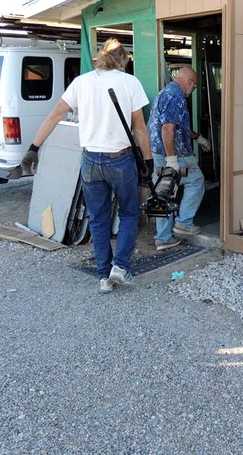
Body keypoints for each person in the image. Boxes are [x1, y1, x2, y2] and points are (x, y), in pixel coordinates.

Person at [20, 38, 152, 294]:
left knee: (99, 218)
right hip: (120, 158)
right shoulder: (130, 83)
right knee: (129, 213)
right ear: (123, 59)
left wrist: (33, 149)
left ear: (100, 57)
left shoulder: (81, 83)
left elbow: (54, 115)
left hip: (91, 159)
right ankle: (120, 267)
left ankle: (103, 276)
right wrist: (148, 161)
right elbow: (139, 128)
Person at [147, 66, 210, 251]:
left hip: (159, 153)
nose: (194, 90)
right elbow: (167, 129)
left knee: (163, 192)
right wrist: (172, 159)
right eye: (195, 86)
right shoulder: (176, 97)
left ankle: (163, 238)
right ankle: (184, 222)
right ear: (189, 83)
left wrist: (198, 137)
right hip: (174, 154)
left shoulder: (166, 93)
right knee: (196, 181)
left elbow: (178, 127)